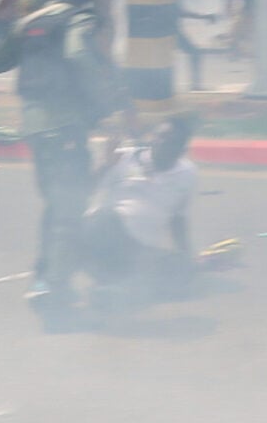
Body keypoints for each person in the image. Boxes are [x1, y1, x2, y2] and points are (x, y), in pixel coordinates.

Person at [0, 0, 125, 320]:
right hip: (65, 127)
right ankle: (53, 291)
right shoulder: (78, 19)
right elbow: (78, 54)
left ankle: (45, 277)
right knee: (67, 210)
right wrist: (107, 102)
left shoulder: (28, 23)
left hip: (35, 128)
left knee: (56, 205)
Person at [77, 115, 198, 301]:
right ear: (152, 137)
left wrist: (186, 254)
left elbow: (178, 217)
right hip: (105, 234)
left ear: (181, 149)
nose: (161, 142)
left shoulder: (187, 174)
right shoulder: (125, 158)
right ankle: (112, 284)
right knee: (104, 219)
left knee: (178, 269)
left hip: (140, 249)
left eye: (170, 140)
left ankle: (117, 286)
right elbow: (87, 188)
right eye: (159, 136)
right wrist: (105, 165)